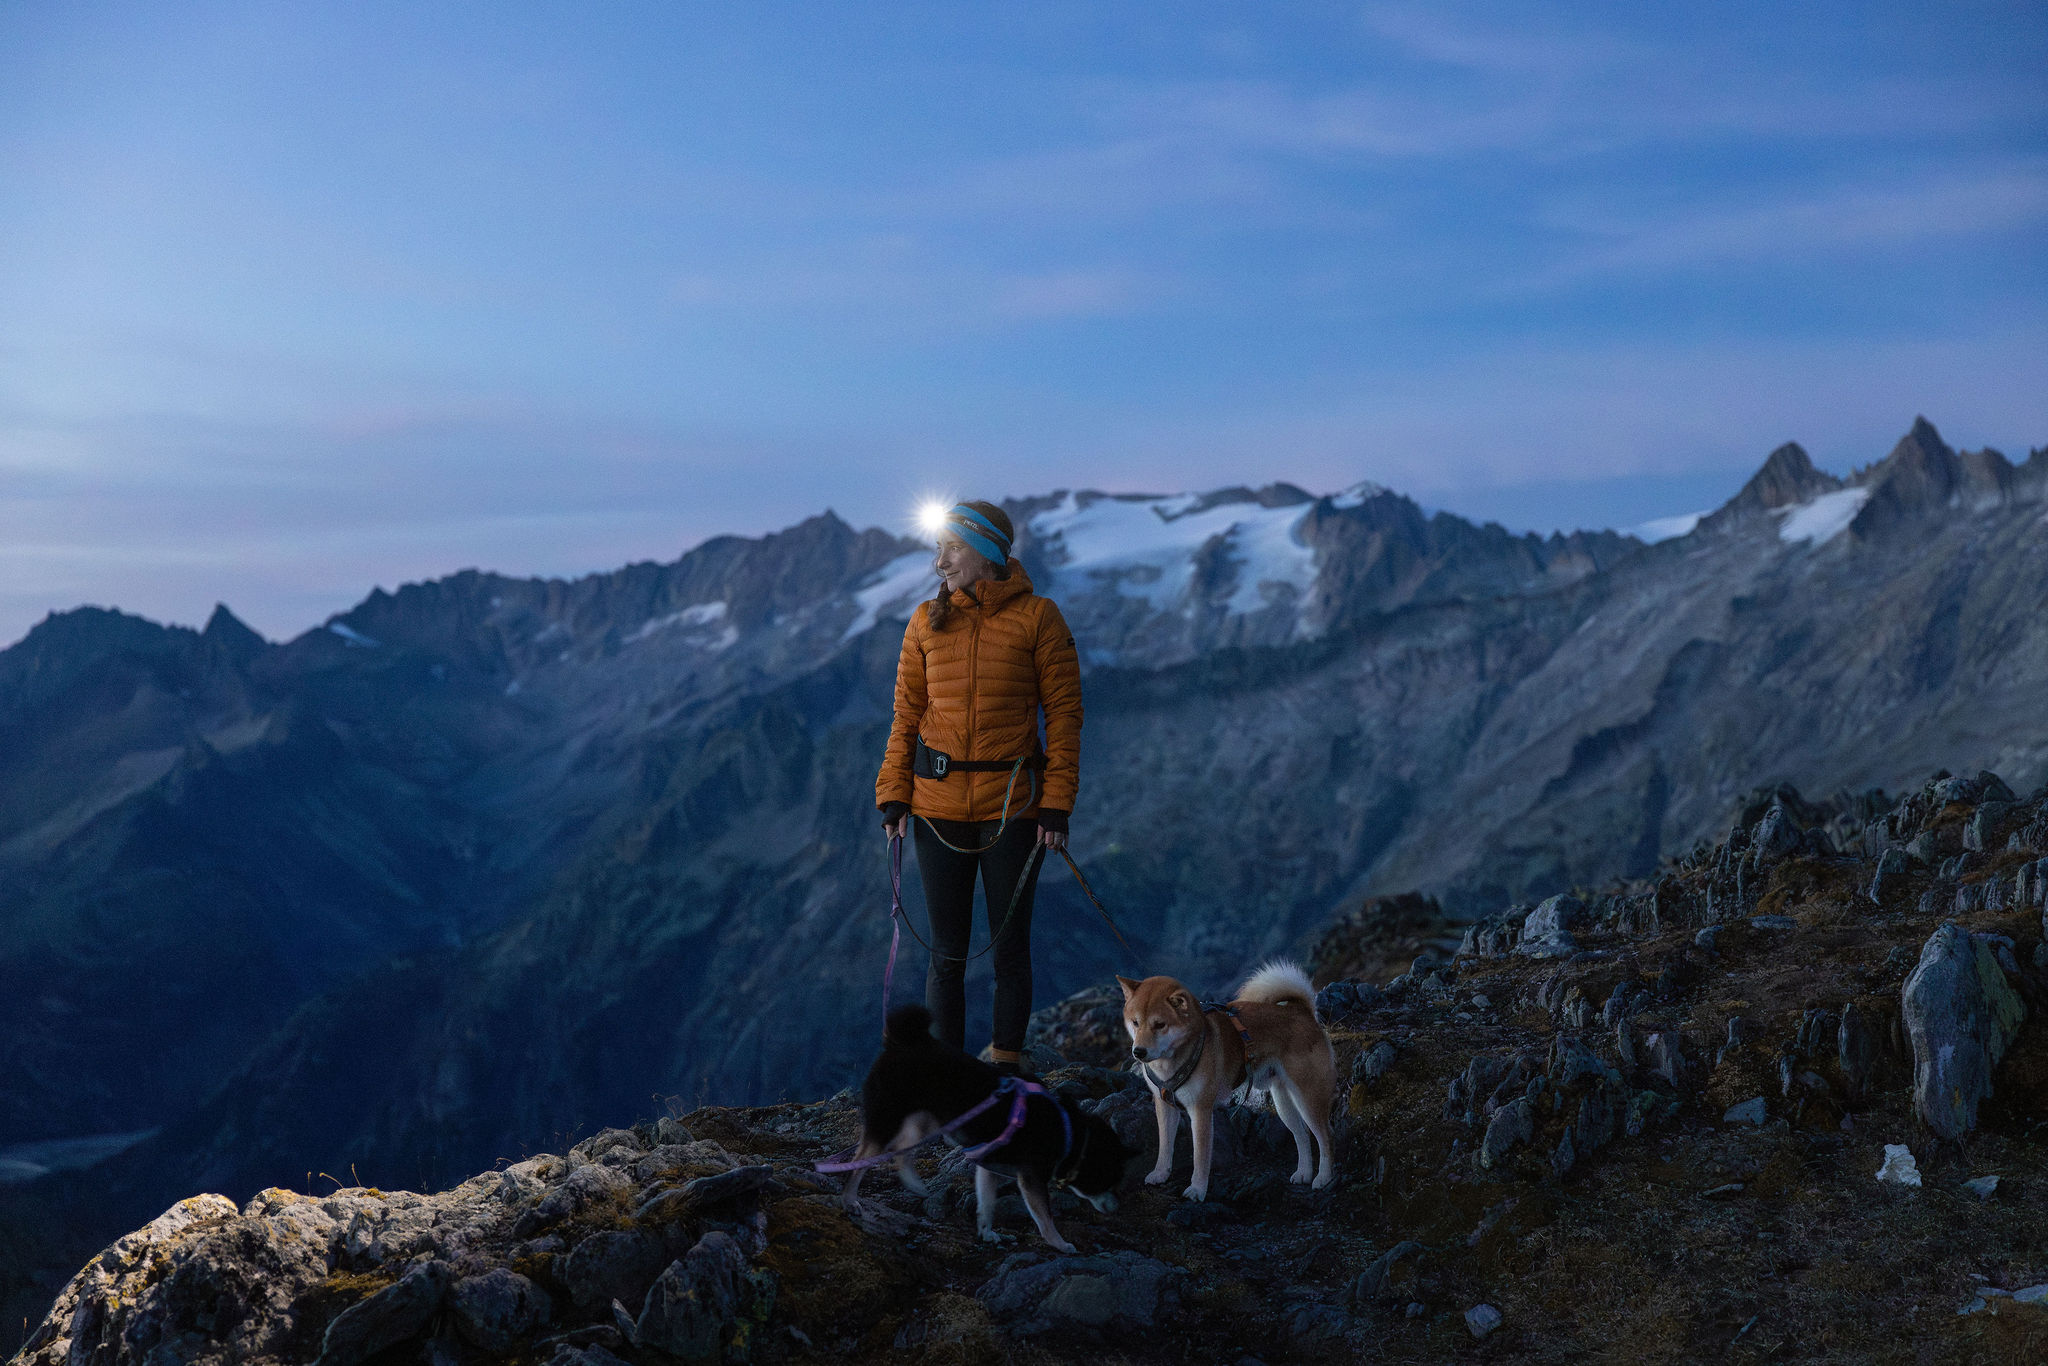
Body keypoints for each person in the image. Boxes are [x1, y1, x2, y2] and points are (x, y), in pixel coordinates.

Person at [876, 500, 1082, 1075]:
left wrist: (1056, 805)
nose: (940, 561)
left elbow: (1064, 717)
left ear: (988, 554)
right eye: (938, 549)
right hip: (935, 808)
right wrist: (893, 794)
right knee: (947, 953)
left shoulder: (1040, 618)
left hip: (1013, 811)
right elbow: (906, 715)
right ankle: (947, 1078)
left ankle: (1007, 1071)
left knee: (1010, 950)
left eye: (954, 548)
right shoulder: (923, 621)